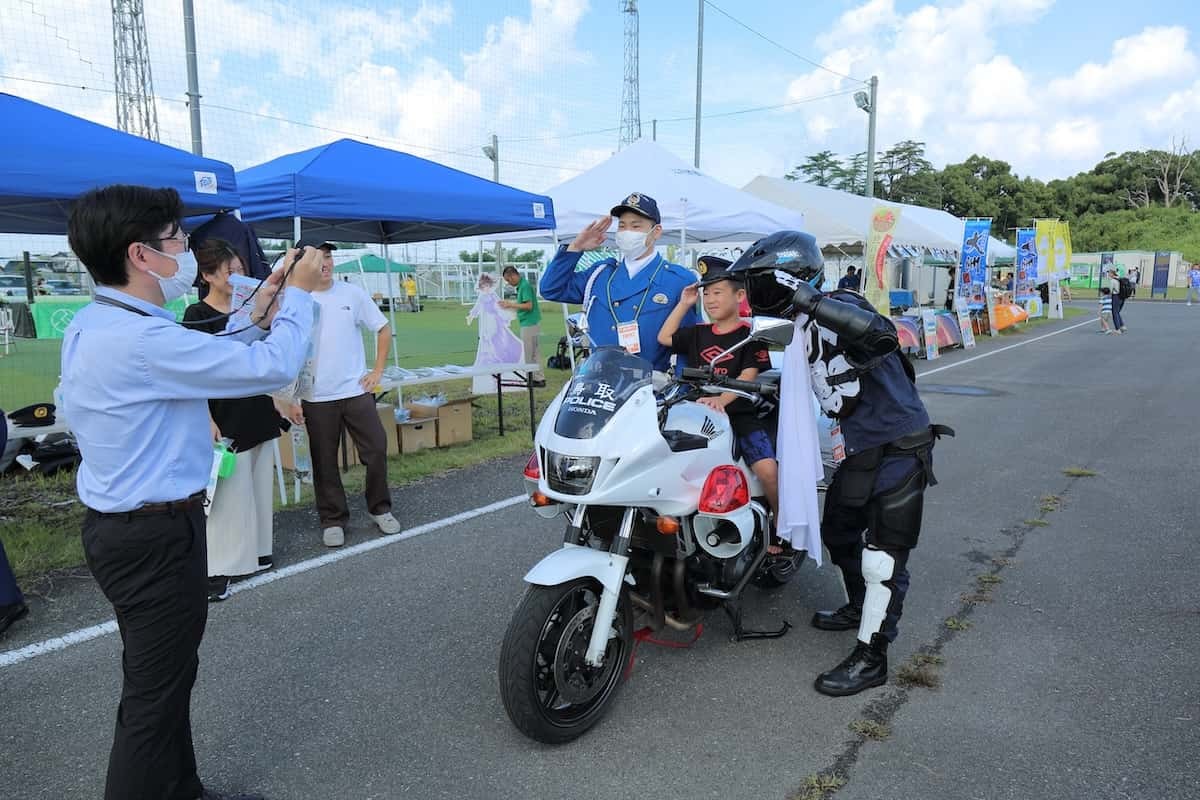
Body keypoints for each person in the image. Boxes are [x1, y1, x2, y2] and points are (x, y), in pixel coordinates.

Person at [60, 183, 324, 800]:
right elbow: (271, 368)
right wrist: (301, 301)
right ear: (141, 255)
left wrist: (268, 297)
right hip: (152, 533)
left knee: (167, 678)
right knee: (152, 699)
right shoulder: (142, 339)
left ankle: (182, 789)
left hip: (129, 528)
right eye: (176, 240)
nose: (186, 250)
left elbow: (214, 348)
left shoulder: (103, 322)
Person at [730, 230, 951, 697]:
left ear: (786, 281)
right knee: (840, 533)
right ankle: (857, 605)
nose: (750, 295)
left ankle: (873, 656)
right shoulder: (799, 326)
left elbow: (882, 336)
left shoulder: (842, 304)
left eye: (757, 283)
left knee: (883, 557)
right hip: (858, 447)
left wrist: (811, 301)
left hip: (899, 442)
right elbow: (792, 375)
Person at [183, 239, 288, 601]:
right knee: (228, 492)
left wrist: (279, 400)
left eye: (240, 268)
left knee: (258, 483)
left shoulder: (253, 310)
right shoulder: (197, 316)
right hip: (223, 413)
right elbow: (193, 374)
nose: (237, 276)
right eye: (228, 271)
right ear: (207, 275)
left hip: (256, 406)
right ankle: (219, 568)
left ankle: (257, 551)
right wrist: (204, 416)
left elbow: (267, 360)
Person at [283, 238, 400, 549]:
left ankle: (380, 508)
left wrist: (376, 371)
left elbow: (383, 328)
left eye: (329, 257)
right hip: (316, 396)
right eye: (319, 258)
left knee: (376, 448)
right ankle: (332, 519)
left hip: (355, 391)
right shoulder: (295, 300)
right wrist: (293, 398)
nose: (326, 264)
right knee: (324, 461)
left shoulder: (352, 293)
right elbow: (288, 352)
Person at [656, 256, 779, 542]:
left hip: (737, 413)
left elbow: (748, 376)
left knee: (767, 469)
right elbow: (664, 337)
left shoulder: (750, 336)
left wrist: (722, 400)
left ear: (739, 295)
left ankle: (778, 522)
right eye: (706, 293)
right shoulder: (697, 332)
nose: (710, 300)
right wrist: (686, 303)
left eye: (718, 292)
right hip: (696, 414)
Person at [539, 192, 699, 372]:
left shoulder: (678, 280)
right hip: (598, 384)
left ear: (657, 232)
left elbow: (689, 343)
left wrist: (679, 392)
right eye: (622, 226)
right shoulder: (600, 274)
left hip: (650, 390)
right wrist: (576, 247)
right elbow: (551, 289)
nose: (627, 232)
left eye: (635, 226)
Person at [499, 265, 546, 387]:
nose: (509, 283)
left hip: (529, 323)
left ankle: (534, 378)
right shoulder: (522, 286)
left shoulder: (524, 287)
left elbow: (528, 306)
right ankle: (538, 378)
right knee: (534, 352)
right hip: (531, 322)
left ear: (513, 275)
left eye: (509, 280)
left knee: (529, 352)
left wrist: (511, 305)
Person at [1108, 268, 1128, 332]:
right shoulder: (1119, 278)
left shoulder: (1112, 280)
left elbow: (1110, 291)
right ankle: (1122, 326)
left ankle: (1118, 329)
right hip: (1122, 297)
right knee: (1117, 312)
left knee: (1114, 313)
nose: (1108, 274)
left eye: (1109, 273)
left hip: (1116, 296)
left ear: (1112, 273)